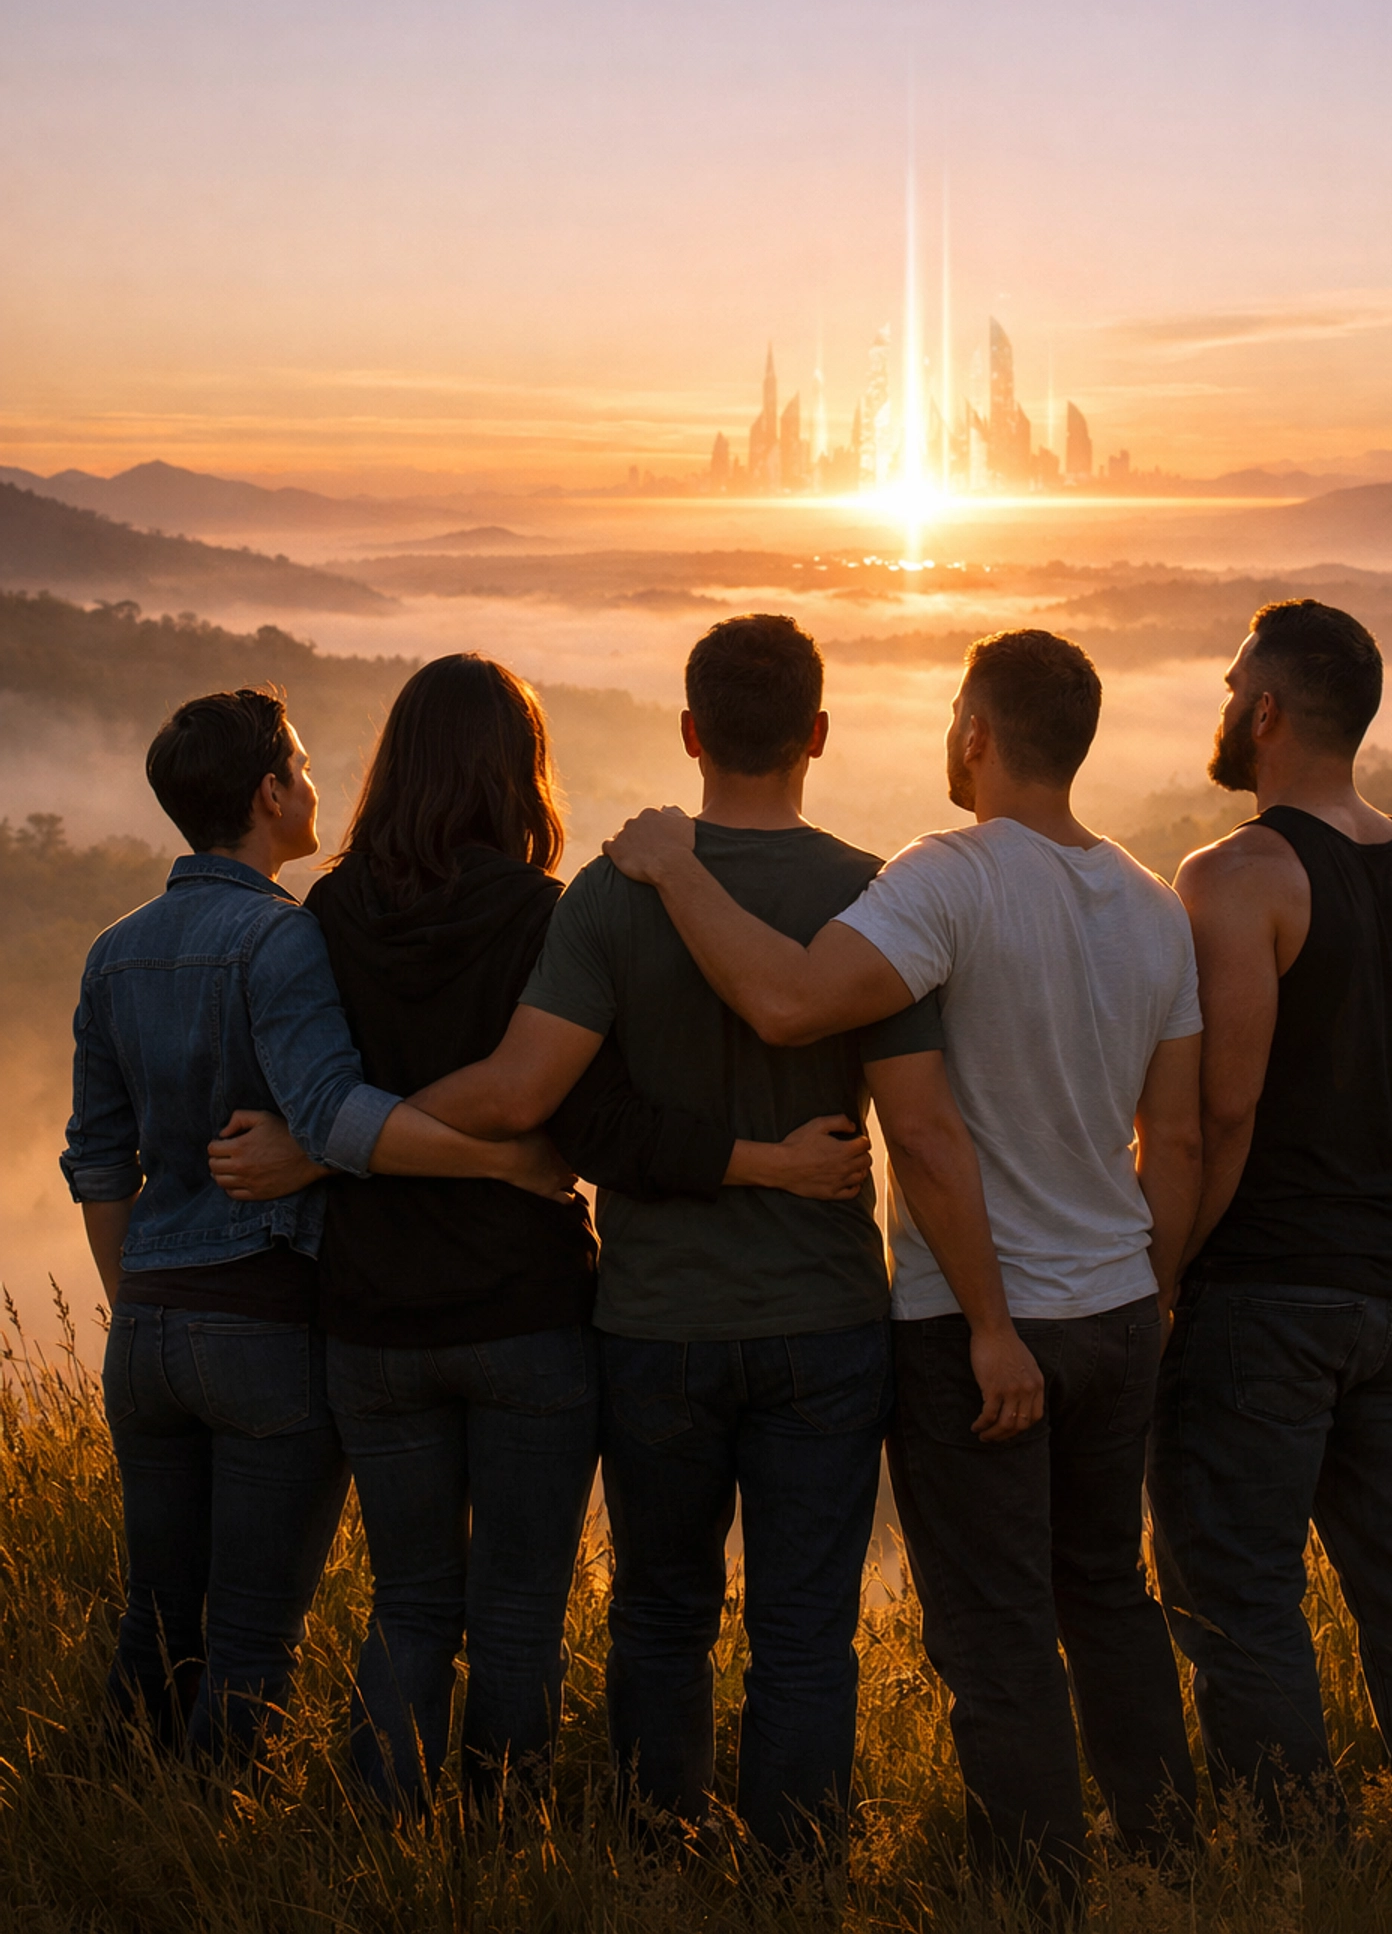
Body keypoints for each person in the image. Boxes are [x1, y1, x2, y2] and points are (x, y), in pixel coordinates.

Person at [215, 615, 1038, 1855]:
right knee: (802, 1631)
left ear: (692, 733)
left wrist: (331, 1133)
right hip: (818, 1322)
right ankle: (791, 1874)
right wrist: (989, 1319)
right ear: (818, 736)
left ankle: (645, 1855)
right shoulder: (878, 895)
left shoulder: (606, 897)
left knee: (654, 1615)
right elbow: (920, 1132)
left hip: (648, 1325)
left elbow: (525, 1089)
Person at [603, 627, 1204, 1886]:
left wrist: (675, 870)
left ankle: (1034, 1892)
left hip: (981, 1324)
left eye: (951, 717)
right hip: (1117, 1306)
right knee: (1105, 1591)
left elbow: (792, 1007)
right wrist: (1153, 1292)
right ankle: (1172, 1850)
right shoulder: (1155, 906)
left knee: (994, 1633)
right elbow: (1183, 1132)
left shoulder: (948, 877)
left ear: (977, 736)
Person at [61, 687, 566, 1764]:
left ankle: (116, 1809)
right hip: (263, 1321)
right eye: (301, 764)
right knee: (250, 1633)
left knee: (152, 1617)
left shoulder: (115, 951)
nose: (317, 783)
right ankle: (214, 1842)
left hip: (146, 1325)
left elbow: (100, 1161)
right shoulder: (281, 941)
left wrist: (133, 1303)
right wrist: (499, 1157)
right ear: (271, 792)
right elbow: (333, 1112)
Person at [1148, 598, 1392, 1830]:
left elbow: (1222, 1116)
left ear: (1265, 712)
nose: (1223, 699)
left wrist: (1163, 1277)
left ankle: (1288, 1850)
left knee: (1237, 1591)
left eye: (1231, 679)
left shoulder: (1236, 876)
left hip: (1260, 1296)